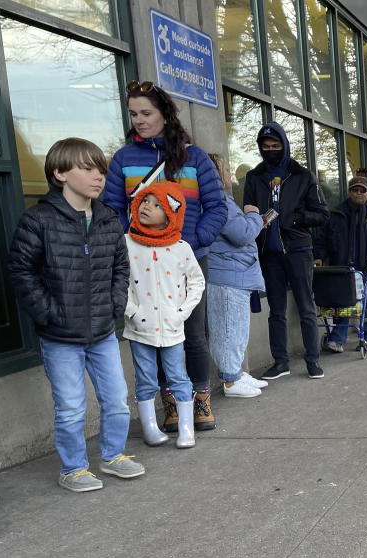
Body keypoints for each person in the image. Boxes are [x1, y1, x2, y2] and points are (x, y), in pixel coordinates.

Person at [9, 138, 142, 492]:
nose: (98, 176)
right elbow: (21, 271)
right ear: (60, 173)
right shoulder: (38, 220)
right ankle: (73, 468)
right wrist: (48, 313)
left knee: (116, 400)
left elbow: (120, 268)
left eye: (101, 168)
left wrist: (114, 306)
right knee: (69, 408)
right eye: (87, 168)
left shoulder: (107, 219)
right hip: (59, 335)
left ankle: (113, 456)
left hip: (102, 331)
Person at [104, 80, 227, 433]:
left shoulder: (195, 158)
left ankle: (200, 401)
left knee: (193, 332)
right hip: (141, 262)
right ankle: (170, 404)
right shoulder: (124, 160)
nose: (139, 120)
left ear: (165, 115)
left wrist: (194, 240)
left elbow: (216, 207)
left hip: (185, 260)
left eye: (147, 113)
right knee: (150, 333)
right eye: (133, 114)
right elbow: (112, 210)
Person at [242, 122, 328, 381]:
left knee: (305, 306)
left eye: (275, 146)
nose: (270, 151)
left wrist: (296, 219)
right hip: (269, 252)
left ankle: (312, 359)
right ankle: (280, 362)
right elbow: (248, 209)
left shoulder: (302, 175)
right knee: (275, 310)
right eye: (265, 147)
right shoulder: (255, 177)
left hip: (298, 249)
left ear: (284, 145)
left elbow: (322, 214)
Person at [123, 182, 205, 449]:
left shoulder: (181, 248)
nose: (148, 206)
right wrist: (132, 311)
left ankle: (185, 428)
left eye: (158, 205)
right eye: (145, 201)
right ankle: (150, 427)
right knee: (145, 378)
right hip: (139, 328)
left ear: (171, 214)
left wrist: (180, 313)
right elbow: (116, 281)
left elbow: (197, 282)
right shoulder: (127, 244)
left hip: (172, 327)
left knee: (178, 377)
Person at [206, 153, 266, 399]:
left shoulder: (218, 200)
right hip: (228, 275)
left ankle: (236, 373)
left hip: (235, 273)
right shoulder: (218, 200)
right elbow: (241, 234)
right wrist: (253, 215)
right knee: (229, 329)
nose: (230, 175)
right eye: (226, 170)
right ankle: (231, 380)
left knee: (236, 328)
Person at [314, 173, 367, 351]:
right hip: (343, 268)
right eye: (355, 190)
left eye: (363, 190)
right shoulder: (335, 214)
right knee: (343, 304)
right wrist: (319, 256)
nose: (358, 193)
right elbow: (322, 240)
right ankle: (338, 339)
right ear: (349, 191)